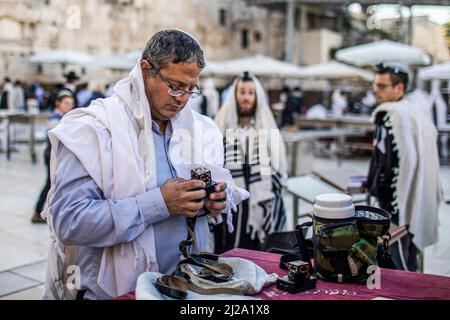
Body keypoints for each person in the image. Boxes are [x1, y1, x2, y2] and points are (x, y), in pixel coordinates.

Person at [41, 29, 249, 300]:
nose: (182, 98)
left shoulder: (200, 129)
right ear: (146, 70)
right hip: (114, 292)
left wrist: (211, 202)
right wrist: (158, 204)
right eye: (174, 86)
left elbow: (209, 203)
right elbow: (69, 222)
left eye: (190, 89)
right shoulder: (93, 129)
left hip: (189, 286)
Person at [367, 62, 441, 272]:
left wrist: (376, 192)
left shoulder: (389, 114)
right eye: (375, 85)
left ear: (399, 88)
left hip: (395, 204)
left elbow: (386, 165)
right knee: (409, 255)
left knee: (394, 261)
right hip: (417, 201)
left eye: (382, 86)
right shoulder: (414, 111)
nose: (375, 90)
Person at [213, 71, 288, 253]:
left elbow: (279, 171)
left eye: (250, 93)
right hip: (232, 208)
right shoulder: (221, 130)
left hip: (260, 206)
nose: (246, 98)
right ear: (235, 95)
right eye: (242, 92)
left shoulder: (267, 132)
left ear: (257, 97)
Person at [31, 90, 74, 223]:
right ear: (58, 103)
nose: (69, 106)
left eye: (71, 104)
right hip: (50, 155)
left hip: (54, 155)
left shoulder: (63, 117)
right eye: (66, 103)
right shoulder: (55, 118)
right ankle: (38, 212)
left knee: (51, 184)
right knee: (49, 184)